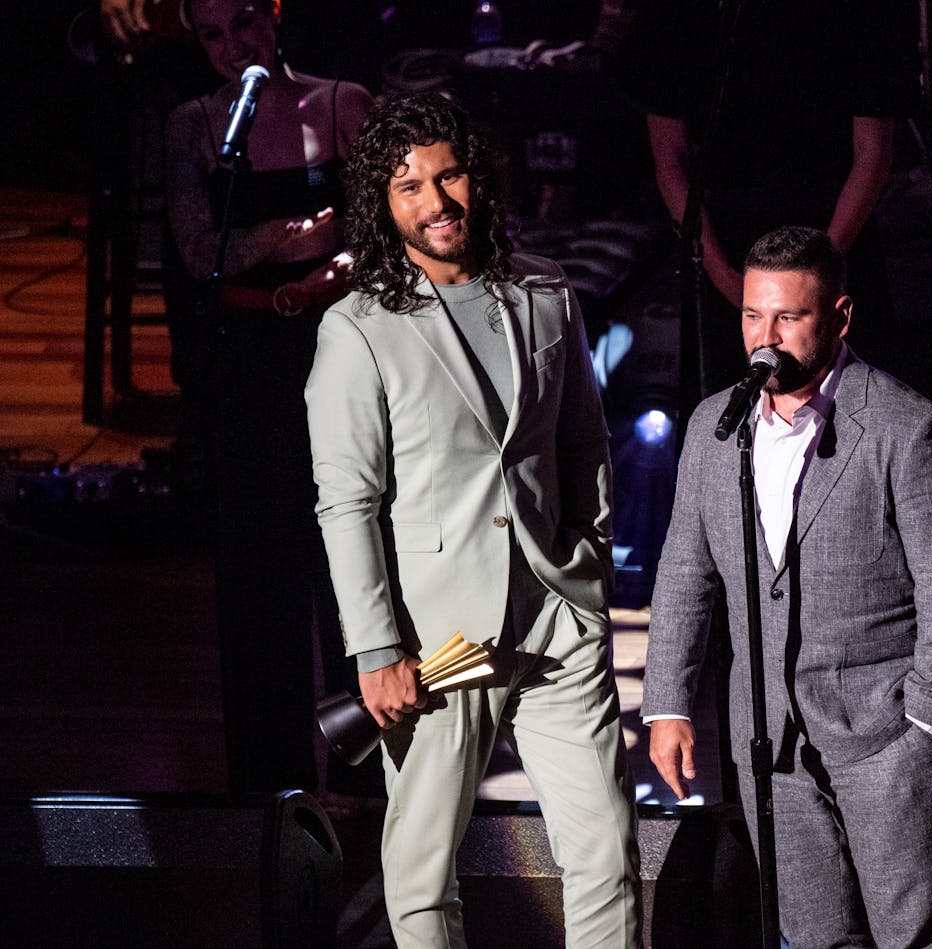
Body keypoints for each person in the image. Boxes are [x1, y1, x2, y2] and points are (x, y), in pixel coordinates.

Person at [305, 92, 642, 948]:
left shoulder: (545, 291)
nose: (435, 199)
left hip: (556, 614)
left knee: (606, 848)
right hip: (438, 638)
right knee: (422, 873)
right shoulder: (358, 328)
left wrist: (590, 562)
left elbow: (583, 442)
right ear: (383, 204)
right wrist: (376, 648)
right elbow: (346, 500)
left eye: (447, 173)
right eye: (409, 184)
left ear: (476, 176)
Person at [643, 226, 932, 948]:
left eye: (789, 317)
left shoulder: (905, 427)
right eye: (752, 316)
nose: (766, 337)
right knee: (813, 933)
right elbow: (684, 571)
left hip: (883, 729)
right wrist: (667, 701)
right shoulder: (713, 429)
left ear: (840, 316)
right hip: (767, 735)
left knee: (909, 933)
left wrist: (925, 720)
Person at [163, 0, 374, 795]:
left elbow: (387, 232)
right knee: (259, 575)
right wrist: (294, 239)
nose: (230, 47)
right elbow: (195, 250)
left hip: (340, 354)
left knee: (352, 568)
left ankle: (372, 781)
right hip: (247, 364)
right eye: (210, 34)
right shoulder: (193, 126)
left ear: (278, 14)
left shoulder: (340, 103)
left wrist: (325, 268)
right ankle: (270, 787)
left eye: (244, 22)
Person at [613, 0, 920, 391]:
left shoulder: (862, 13)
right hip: (725, 249)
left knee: (854, 418)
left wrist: (816, 272)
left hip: (835, 241)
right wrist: (730, 282)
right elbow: (669, 160)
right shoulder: (683, 15)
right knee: (727, 418)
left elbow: (873, 153)